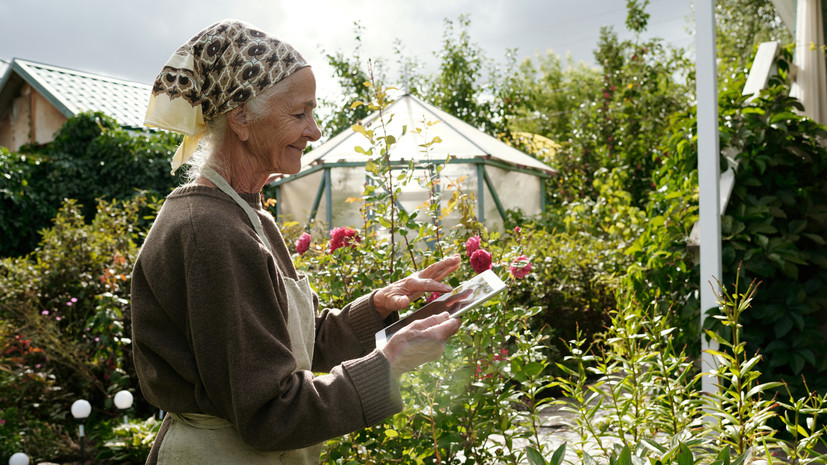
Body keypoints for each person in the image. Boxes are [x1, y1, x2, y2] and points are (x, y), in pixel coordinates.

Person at [131, 19, 463, 465]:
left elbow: (289, 347)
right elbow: (270, 411)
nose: (315, 130)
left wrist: (381, 306)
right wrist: (389, 364)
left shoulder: (248, 216)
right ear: (242, 117)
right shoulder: (209, 231)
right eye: (298, 113)